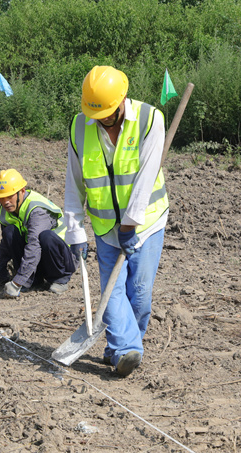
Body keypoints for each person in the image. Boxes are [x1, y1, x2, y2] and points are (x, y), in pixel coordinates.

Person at [64, 66, 168, 377]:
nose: (103, 120)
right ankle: (126, 350)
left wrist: (130, 224)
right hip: (105, 226)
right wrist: (75, 230)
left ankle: (119, 348)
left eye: (108, 113)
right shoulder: (80, 127)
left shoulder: (150, 120)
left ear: (123, 98)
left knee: (140, 293)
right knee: (112, 293)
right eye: (97, 115)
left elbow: (146, 178)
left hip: (146, 223)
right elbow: (74, 181)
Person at [0, 169, 77, 298]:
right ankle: (33, 280)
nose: (6, 202)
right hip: (37, 258)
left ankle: (59, 279)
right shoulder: (6, 210)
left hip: (60, 260)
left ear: (22, 191)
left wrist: (17, 283)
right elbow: (6, 244)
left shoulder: (37, 210)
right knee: (9, 232)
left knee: (46, 237)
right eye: (1, 198)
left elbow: (34, 246)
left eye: (10, 196)